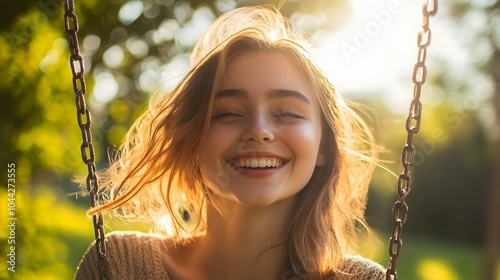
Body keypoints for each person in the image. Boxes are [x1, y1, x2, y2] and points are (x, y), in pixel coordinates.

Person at [75, 5, 385, 280]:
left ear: (323, 147)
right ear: (193, 138)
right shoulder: (117, 265)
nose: (259, 130)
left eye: (288, 113)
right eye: (228, 113)